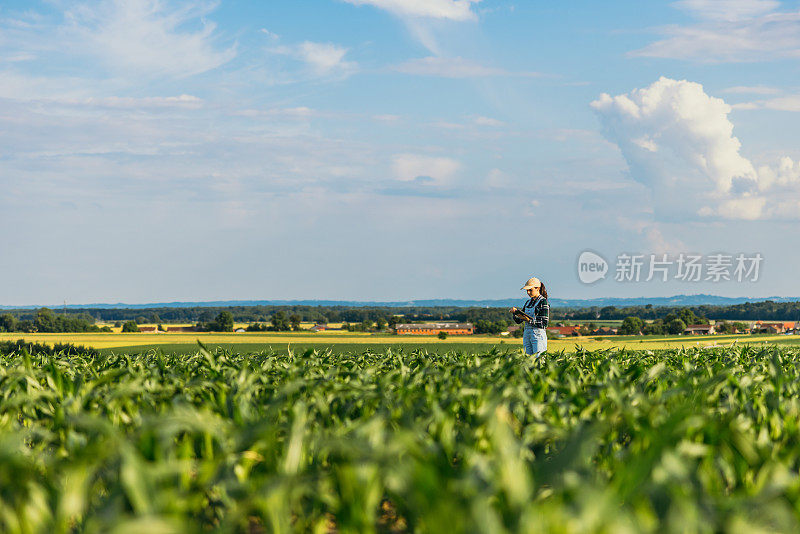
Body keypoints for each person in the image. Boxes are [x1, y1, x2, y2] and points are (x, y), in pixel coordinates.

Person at [510, 277, 549, 356]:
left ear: (537, 288)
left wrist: (528, 320)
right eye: (527, 290)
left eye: (530, 290)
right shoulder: (528, 302)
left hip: (538, 335)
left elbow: (544, 323)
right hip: (527, 334)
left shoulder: (543, 302)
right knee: (528, 360)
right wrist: (515, 313)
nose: (528, 292)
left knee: (539, 359)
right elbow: (519, 321)